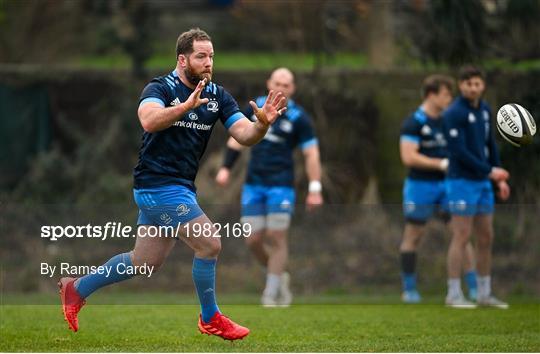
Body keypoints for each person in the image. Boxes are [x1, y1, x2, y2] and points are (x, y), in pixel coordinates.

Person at [58, 28, 288, 340]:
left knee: (145, 262)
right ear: (182, 59)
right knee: (210, 243)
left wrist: (262, 124)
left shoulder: (218, 96)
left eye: (211, 56)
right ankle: (210, 318)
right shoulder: (160, 87)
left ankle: (76, 288)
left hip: (178, 187)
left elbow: (245, 135)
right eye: (201, 56)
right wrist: (185, 106)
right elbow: (149, 120)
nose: (208, 62)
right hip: (156, 185)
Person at [215, 68, 323, 306]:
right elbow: (237, 139)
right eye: (278, 83)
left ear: (292, 89)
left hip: (281, 186)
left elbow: (311, 153)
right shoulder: (255, 109)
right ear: (269, 83)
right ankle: (278, 277)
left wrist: (315, 188)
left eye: (287, 84)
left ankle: (270, 293)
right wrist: (225, 168)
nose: (282, 88)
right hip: (254, 184)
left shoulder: (299, 118)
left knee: (276, 236)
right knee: (252, 239)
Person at [399, 74, 478, 304]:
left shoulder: (449, 120)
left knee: (461, 232)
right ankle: (409, 289)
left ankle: (473, 288)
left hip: (448, 185)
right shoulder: (414, 122)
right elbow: (408, 156)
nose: (450, 99)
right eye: (446, 94)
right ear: (431, 95)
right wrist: (439, 163)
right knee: (413, 235)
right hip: (420, 185)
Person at [443, 65, 510, 308]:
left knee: (486, 236)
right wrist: (489, 171)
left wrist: (498, 176)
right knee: (461, 235)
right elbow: (458, 152)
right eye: (468, 83)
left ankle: (484, 293)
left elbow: (489, 144)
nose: (473, 88)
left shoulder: (484, 110)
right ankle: (453, 293)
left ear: (483, 86)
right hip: (461, 181)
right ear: (461, 85)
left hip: (483, 182)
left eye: (477, 83)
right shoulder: (453, 113)